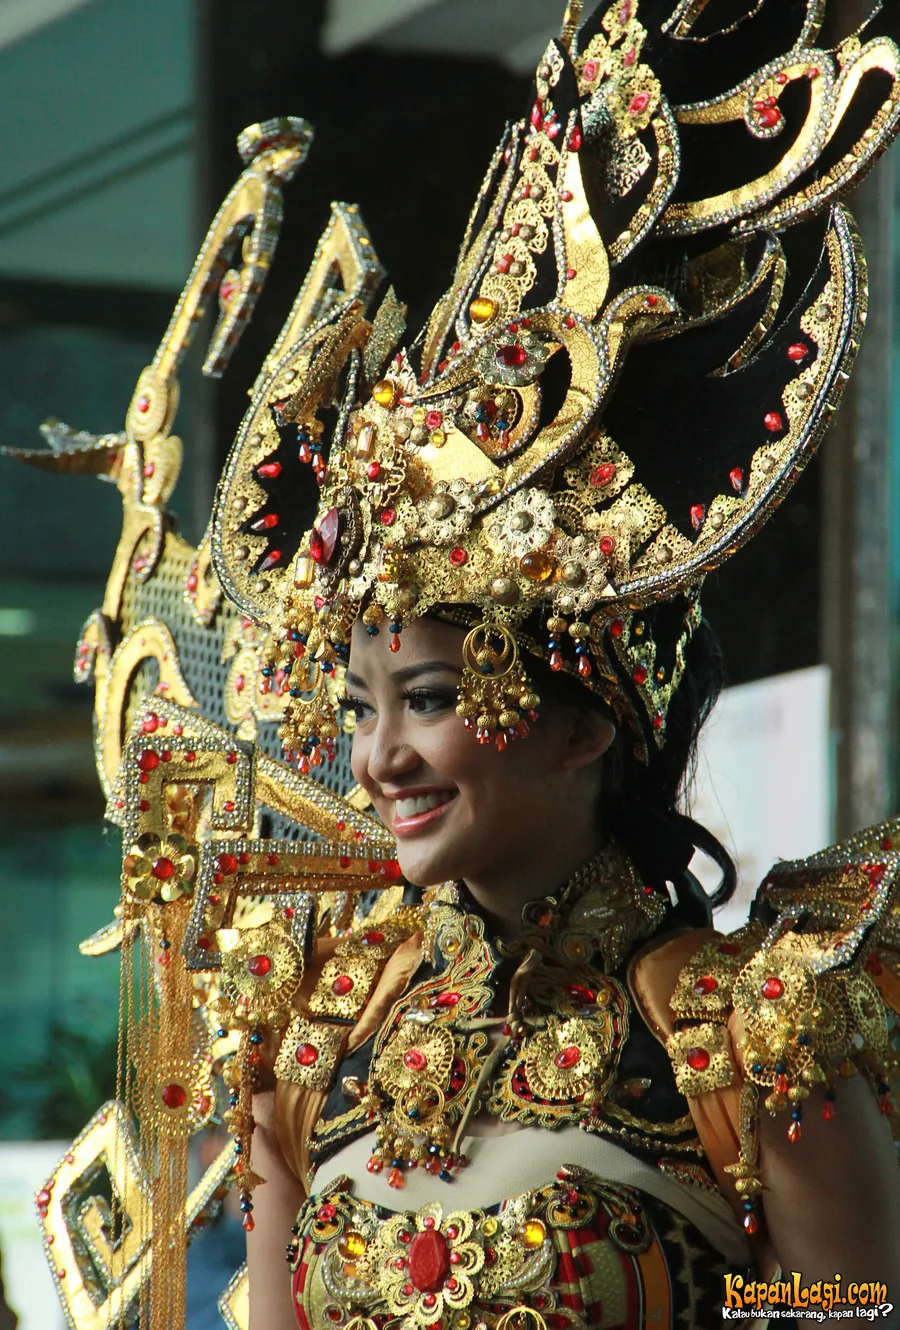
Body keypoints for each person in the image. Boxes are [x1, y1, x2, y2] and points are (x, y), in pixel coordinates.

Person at [16, 3, 900, 1328]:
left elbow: (859, 1310)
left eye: (431, 699)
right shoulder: (318, 1031)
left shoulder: (750, 1035)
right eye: (361, 705)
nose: (379, 758)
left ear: (584, 724)